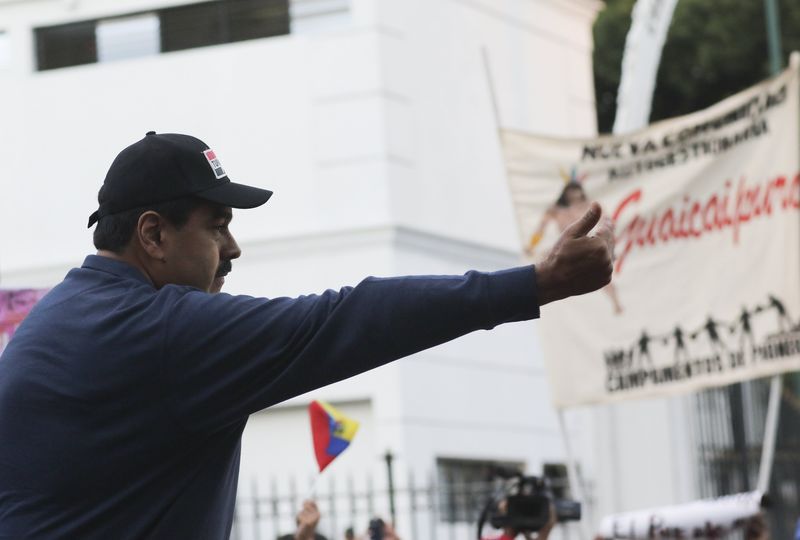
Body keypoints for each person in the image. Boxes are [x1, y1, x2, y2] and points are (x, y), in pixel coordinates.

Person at [0, 132, 614, 539]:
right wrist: (537, 283)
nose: (233, 249)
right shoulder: (164, 333)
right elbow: (349, 318)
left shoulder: (47, 327)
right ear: (154, 236)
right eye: (217, 227)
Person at [526, 181, 623, 314]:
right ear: (566, 193)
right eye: (572, 192)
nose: (575, 195)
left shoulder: (589, 205)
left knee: (602, 274)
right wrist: (531, 246)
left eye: (577, 191)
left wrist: (608, 242)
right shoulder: (556, 210)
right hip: (564, 246)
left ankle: (616, 303)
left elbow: (607, 222)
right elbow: (540, 229)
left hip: (586, 244)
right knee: (541, 266)